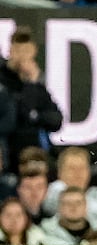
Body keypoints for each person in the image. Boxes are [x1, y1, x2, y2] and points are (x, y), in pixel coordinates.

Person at [0, 27, 63, 156]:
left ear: (34, 52)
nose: (22, 56)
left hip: (36, 150)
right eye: (18, 50)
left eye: (27, 51)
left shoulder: (36, 84)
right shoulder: (2, 79)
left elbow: (56, 121)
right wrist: (32, 84)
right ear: (10, 51)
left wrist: (35, 116)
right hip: (8, 150)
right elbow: (19, 116)